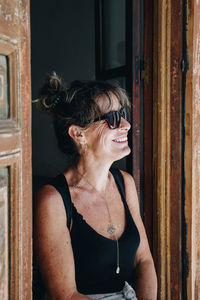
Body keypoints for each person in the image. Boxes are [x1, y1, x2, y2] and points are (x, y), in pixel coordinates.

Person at [33, 73, 157, 300]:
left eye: (123, 114)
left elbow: (144, 260)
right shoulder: (52, 200)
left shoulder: (125, 183)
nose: (127, 125)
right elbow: (66, 295)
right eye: (112, 119)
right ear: (78, 133)